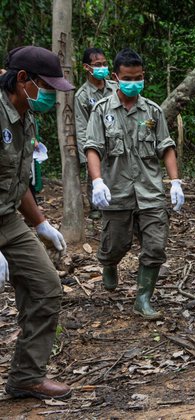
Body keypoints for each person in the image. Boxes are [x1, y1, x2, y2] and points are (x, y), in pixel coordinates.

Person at [84, 48, 185, 320]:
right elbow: (93, 147)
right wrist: (97, 182)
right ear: (116, 77)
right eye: (128, 78)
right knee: (116, 244)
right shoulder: (102, 110)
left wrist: (175, 182)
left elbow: (166, 146)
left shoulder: (152, 111)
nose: (134, 82)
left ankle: (143, 299)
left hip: (150, 191)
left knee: (155, 247)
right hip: (116, 191)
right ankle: (108, 262)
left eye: (138, 77)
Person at [0, 46, 73, 399]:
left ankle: (26, 376)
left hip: (8, 219)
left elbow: (17, 178)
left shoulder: (26, 115)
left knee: (46, 288)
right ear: (24, 79)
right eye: (47, 86)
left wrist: (41, 223)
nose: (50, 96)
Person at [75, 47, 117, 220]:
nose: (103, 67)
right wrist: (85, 156)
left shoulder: (115, 88)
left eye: (105, 64)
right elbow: (81, 126)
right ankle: (96, 207)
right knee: (95, 174)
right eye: (98, 64)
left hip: (116, 139)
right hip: (95, 142)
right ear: (87, 67)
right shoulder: (82, 95)